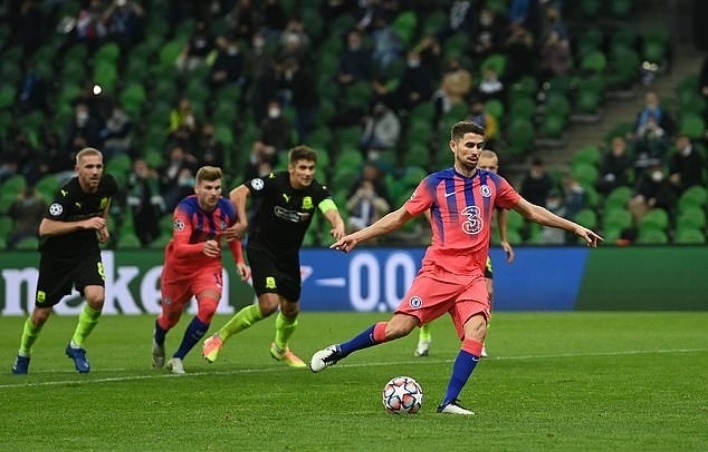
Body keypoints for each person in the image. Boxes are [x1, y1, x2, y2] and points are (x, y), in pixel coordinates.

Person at [309, 121, 602, 415]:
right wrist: (358, 236)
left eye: (479, 146)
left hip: (472, 276)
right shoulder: (435, 184)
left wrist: (575, 227)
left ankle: (449, 401)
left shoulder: (493, 184)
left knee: (478, 329)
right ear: (454, 146)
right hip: (438, 272)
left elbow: (531, 211)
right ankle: (339, 351)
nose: (475, 151)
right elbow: (398, 218)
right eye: (469, 145)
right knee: (399, 329)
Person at [202, 146, 346, 368]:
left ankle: (280, 349)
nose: (307, 173)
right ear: (291, 168)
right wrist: (242, 222)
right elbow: (238, 193)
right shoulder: (275, 182)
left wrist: (338, 225)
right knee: (268, 305)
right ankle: (218, 338)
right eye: (302, 167)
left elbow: (331, 210)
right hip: (262, 248)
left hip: (288, 255)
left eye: (311, 168)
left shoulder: (316, 191)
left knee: (291, 309)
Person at [11, 148, 118, 374]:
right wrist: (84, 224)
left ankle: (76, 346)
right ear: (77, 169)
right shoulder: (66, 194)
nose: (95, 171)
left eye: (98, 166)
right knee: (41, 315)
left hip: (86, 251)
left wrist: (102, 223)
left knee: (97, 297)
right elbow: (45, 228)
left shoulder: (108, 184)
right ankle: (23, 354)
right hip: (57, 257)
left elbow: (105, 201)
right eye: (89, 167)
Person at [414, 149, 514, 358]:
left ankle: (479, 339)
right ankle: (424, 333)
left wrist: (504, 239)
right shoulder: (454, 184)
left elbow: (503, 210)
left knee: (488, 290)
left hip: (477, 253)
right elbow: (423, 205)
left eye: (492, 168)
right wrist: (439, 226)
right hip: (448, 252)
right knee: (432, 297)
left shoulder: (494, 186)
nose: (488, 171)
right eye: (484, 167)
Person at [152, 166, 250, 374]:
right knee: (170, 319)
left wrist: (240, 261)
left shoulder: (227, 208)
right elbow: (179, 248)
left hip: (208, 266)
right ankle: (158, 338)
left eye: (217, 188)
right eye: (208, 188)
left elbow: (232, 236)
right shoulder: (185, 210)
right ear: (197, 189)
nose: (214, 193)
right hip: (178, 269)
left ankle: (178, 357)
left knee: (208, 309)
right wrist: (201, 247)